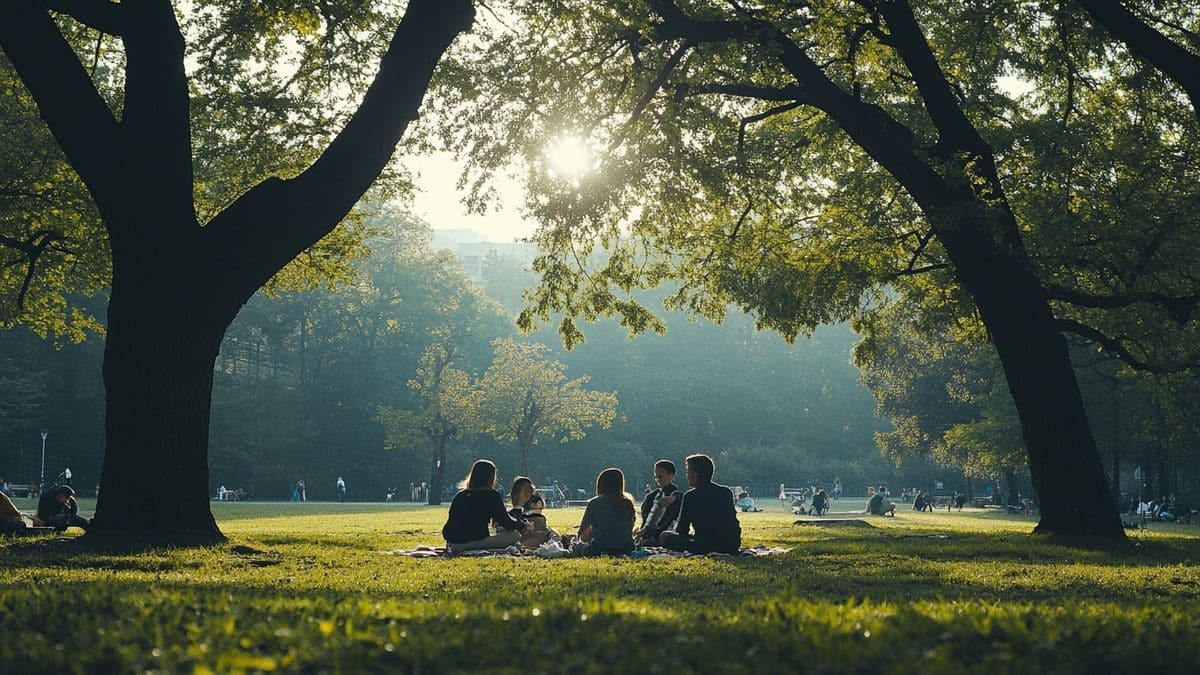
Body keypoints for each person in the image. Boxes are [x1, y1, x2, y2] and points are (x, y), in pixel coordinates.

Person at [442, 460, 530, 553]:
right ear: (491, 477)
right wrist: (524, 526)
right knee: (514, 535)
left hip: (452, 543)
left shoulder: (461, 495)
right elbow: (506, 522)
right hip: (473, 542)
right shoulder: (491, 495)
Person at [660, 454, 741, 554]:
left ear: (695, 474)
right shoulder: (725, 492)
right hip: (730, 545)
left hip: (705, 545)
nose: (687, 476)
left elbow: (682, 529)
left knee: (665, 536)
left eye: (688, 471)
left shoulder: (691, 496)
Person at [569, 468, 636, 557]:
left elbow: (583, 535)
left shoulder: (595, 503)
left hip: (599, 549)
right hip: (626, 549)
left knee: (576, 545)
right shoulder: (628, 503)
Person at [636, 460, 681, 546]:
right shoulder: (651, 496)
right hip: (648, 533)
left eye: (661, 476)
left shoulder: (676, 497)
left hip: (663, 534)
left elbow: (668, 519)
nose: (658, 479)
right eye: (657, 476)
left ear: (671, 475)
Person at [509, 476, 558, 547]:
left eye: (529, 491)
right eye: (526, 491)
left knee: (551, 533)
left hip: (533, 537)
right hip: (526, 538)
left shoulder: (526, 509)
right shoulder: (515, 512)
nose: (528, 494)